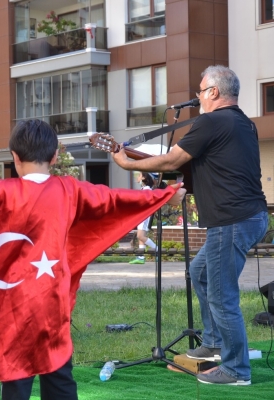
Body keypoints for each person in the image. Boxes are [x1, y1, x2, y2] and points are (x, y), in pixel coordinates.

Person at [0, 119, 185, 400]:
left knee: (16, 374)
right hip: (51, 299)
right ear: (54, 157)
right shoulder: (70, 190)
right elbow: (116, 199)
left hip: (13, 302)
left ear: (14, 157)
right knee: (58, 372)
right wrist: (162, 196)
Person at [112, 65, 268, 386]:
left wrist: (129, 163)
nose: (197, 97)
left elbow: (172, 159)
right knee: (199, 272)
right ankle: (213, 343)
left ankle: (236, 369)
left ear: (213, 92)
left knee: (222, 296)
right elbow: (213, 170)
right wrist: (179, 187)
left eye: (200, 90)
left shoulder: (211, 120)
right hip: (248, 216)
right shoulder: (243, 124)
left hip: (231, 220)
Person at [129, 172, 159, 264]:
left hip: (144, 216)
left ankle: (157, 250)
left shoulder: (147, 190)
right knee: (141, 237)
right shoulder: (144, 189)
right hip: (142, 215)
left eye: (139, 175)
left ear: (143, 178)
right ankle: (141, 257)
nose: (137, 177)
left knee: (140, 236)